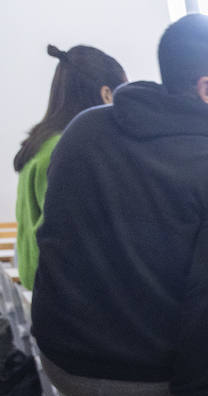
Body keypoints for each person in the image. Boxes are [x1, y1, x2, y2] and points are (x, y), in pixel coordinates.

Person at [31, 14, 208, 396]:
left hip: (64, 361)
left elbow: (86, 249)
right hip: (129, 373)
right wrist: (199, 393)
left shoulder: (86, 129)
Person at [13, 44, 126, 289]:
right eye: (122, 95)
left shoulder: (42, 142)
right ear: (106, 94)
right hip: (62, 296)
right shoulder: (66, 148)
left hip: (38, 287)